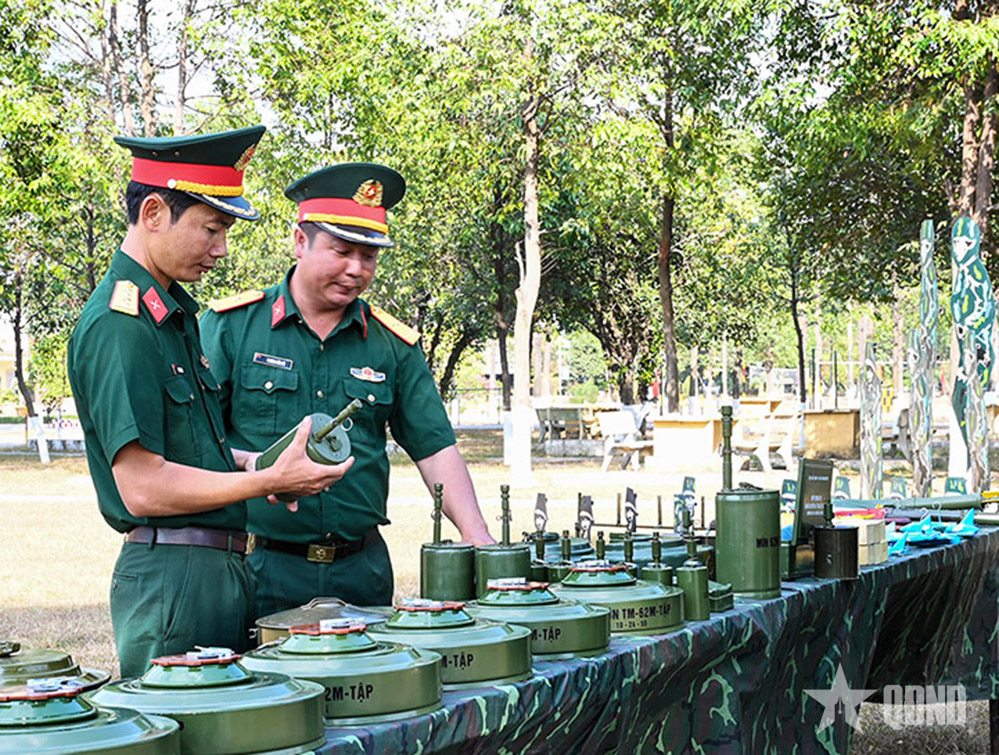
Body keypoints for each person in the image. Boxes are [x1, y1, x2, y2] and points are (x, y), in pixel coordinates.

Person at [67, 127, 354, 677]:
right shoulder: (119, 325)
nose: (221, 249)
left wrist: (257, 463)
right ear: (153, 213)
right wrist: (268, 483)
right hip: (174, 577)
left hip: (213, 568)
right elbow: (143, 485)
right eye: (212, 228)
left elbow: (188, 451)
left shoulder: (171, 318)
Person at [201, 162, 495, 618]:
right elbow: (198, 440)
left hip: (361, 572)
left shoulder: (391, 345)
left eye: (370, 256)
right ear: (300, 241)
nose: (356, 269)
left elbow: (435, 449)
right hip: (259, 567)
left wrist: (478, 538)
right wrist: (254, 466)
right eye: (341, 251)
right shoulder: (231, 328)